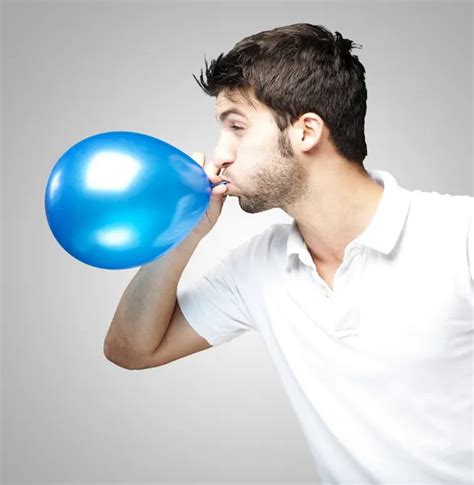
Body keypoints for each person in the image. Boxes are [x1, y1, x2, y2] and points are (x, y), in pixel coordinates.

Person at [104, 23, 473, 483]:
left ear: (306, 132)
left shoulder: (460, 235)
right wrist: (183, 234)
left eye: (236, 127)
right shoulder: (257, 267)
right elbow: (130, 349)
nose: (219, 155)